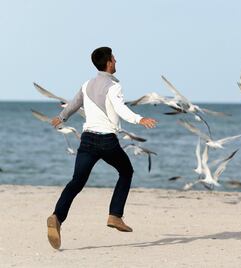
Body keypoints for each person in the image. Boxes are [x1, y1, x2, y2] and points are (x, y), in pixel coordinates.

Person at [46, 47, 157, 249]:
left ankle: (56, 217)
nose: (116, 61)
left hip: (87, 140)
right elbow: (121, 109)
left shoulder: (87, 84)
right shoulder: (114, 86)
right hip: (107, 141)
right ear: (108, 62)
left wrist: (61, 118)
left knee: (77, 181)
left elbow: (73, 104)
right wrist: (140, 119)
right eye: (114, 58)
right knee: (126, 171)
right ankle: (115, 215)